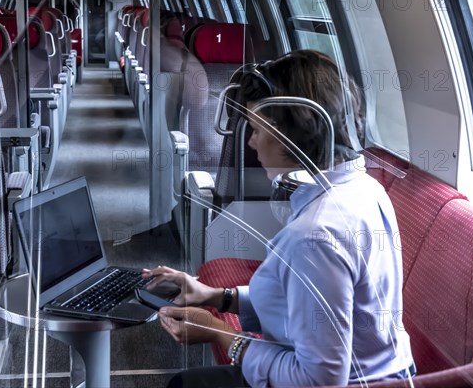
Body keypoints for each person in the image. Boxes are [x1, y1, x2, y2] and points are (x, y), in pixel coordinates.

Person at [143, 49, 414, 387]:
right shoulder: (365, 187)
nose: (253, 143)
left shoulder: (315, 234)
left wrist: (220, 333)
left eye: (257, 129)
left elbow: (318, 382)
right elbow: (306, 300)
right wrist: (215, 296)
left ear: (292, 134)